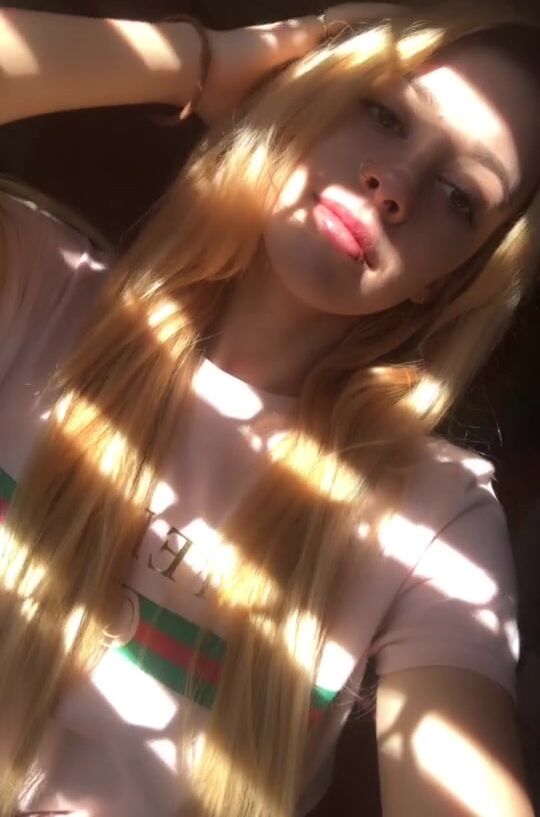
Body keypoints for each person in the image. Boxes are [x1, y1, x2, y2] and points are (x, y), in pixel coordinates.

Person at [0, 2, 539, 816]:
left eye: (461, 197)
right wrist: (202, 64)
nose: (394, 185)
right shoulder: (40, 285)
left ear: (448, 281)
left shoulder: (436, 521)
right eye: (385, 114)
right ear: (311, 98)